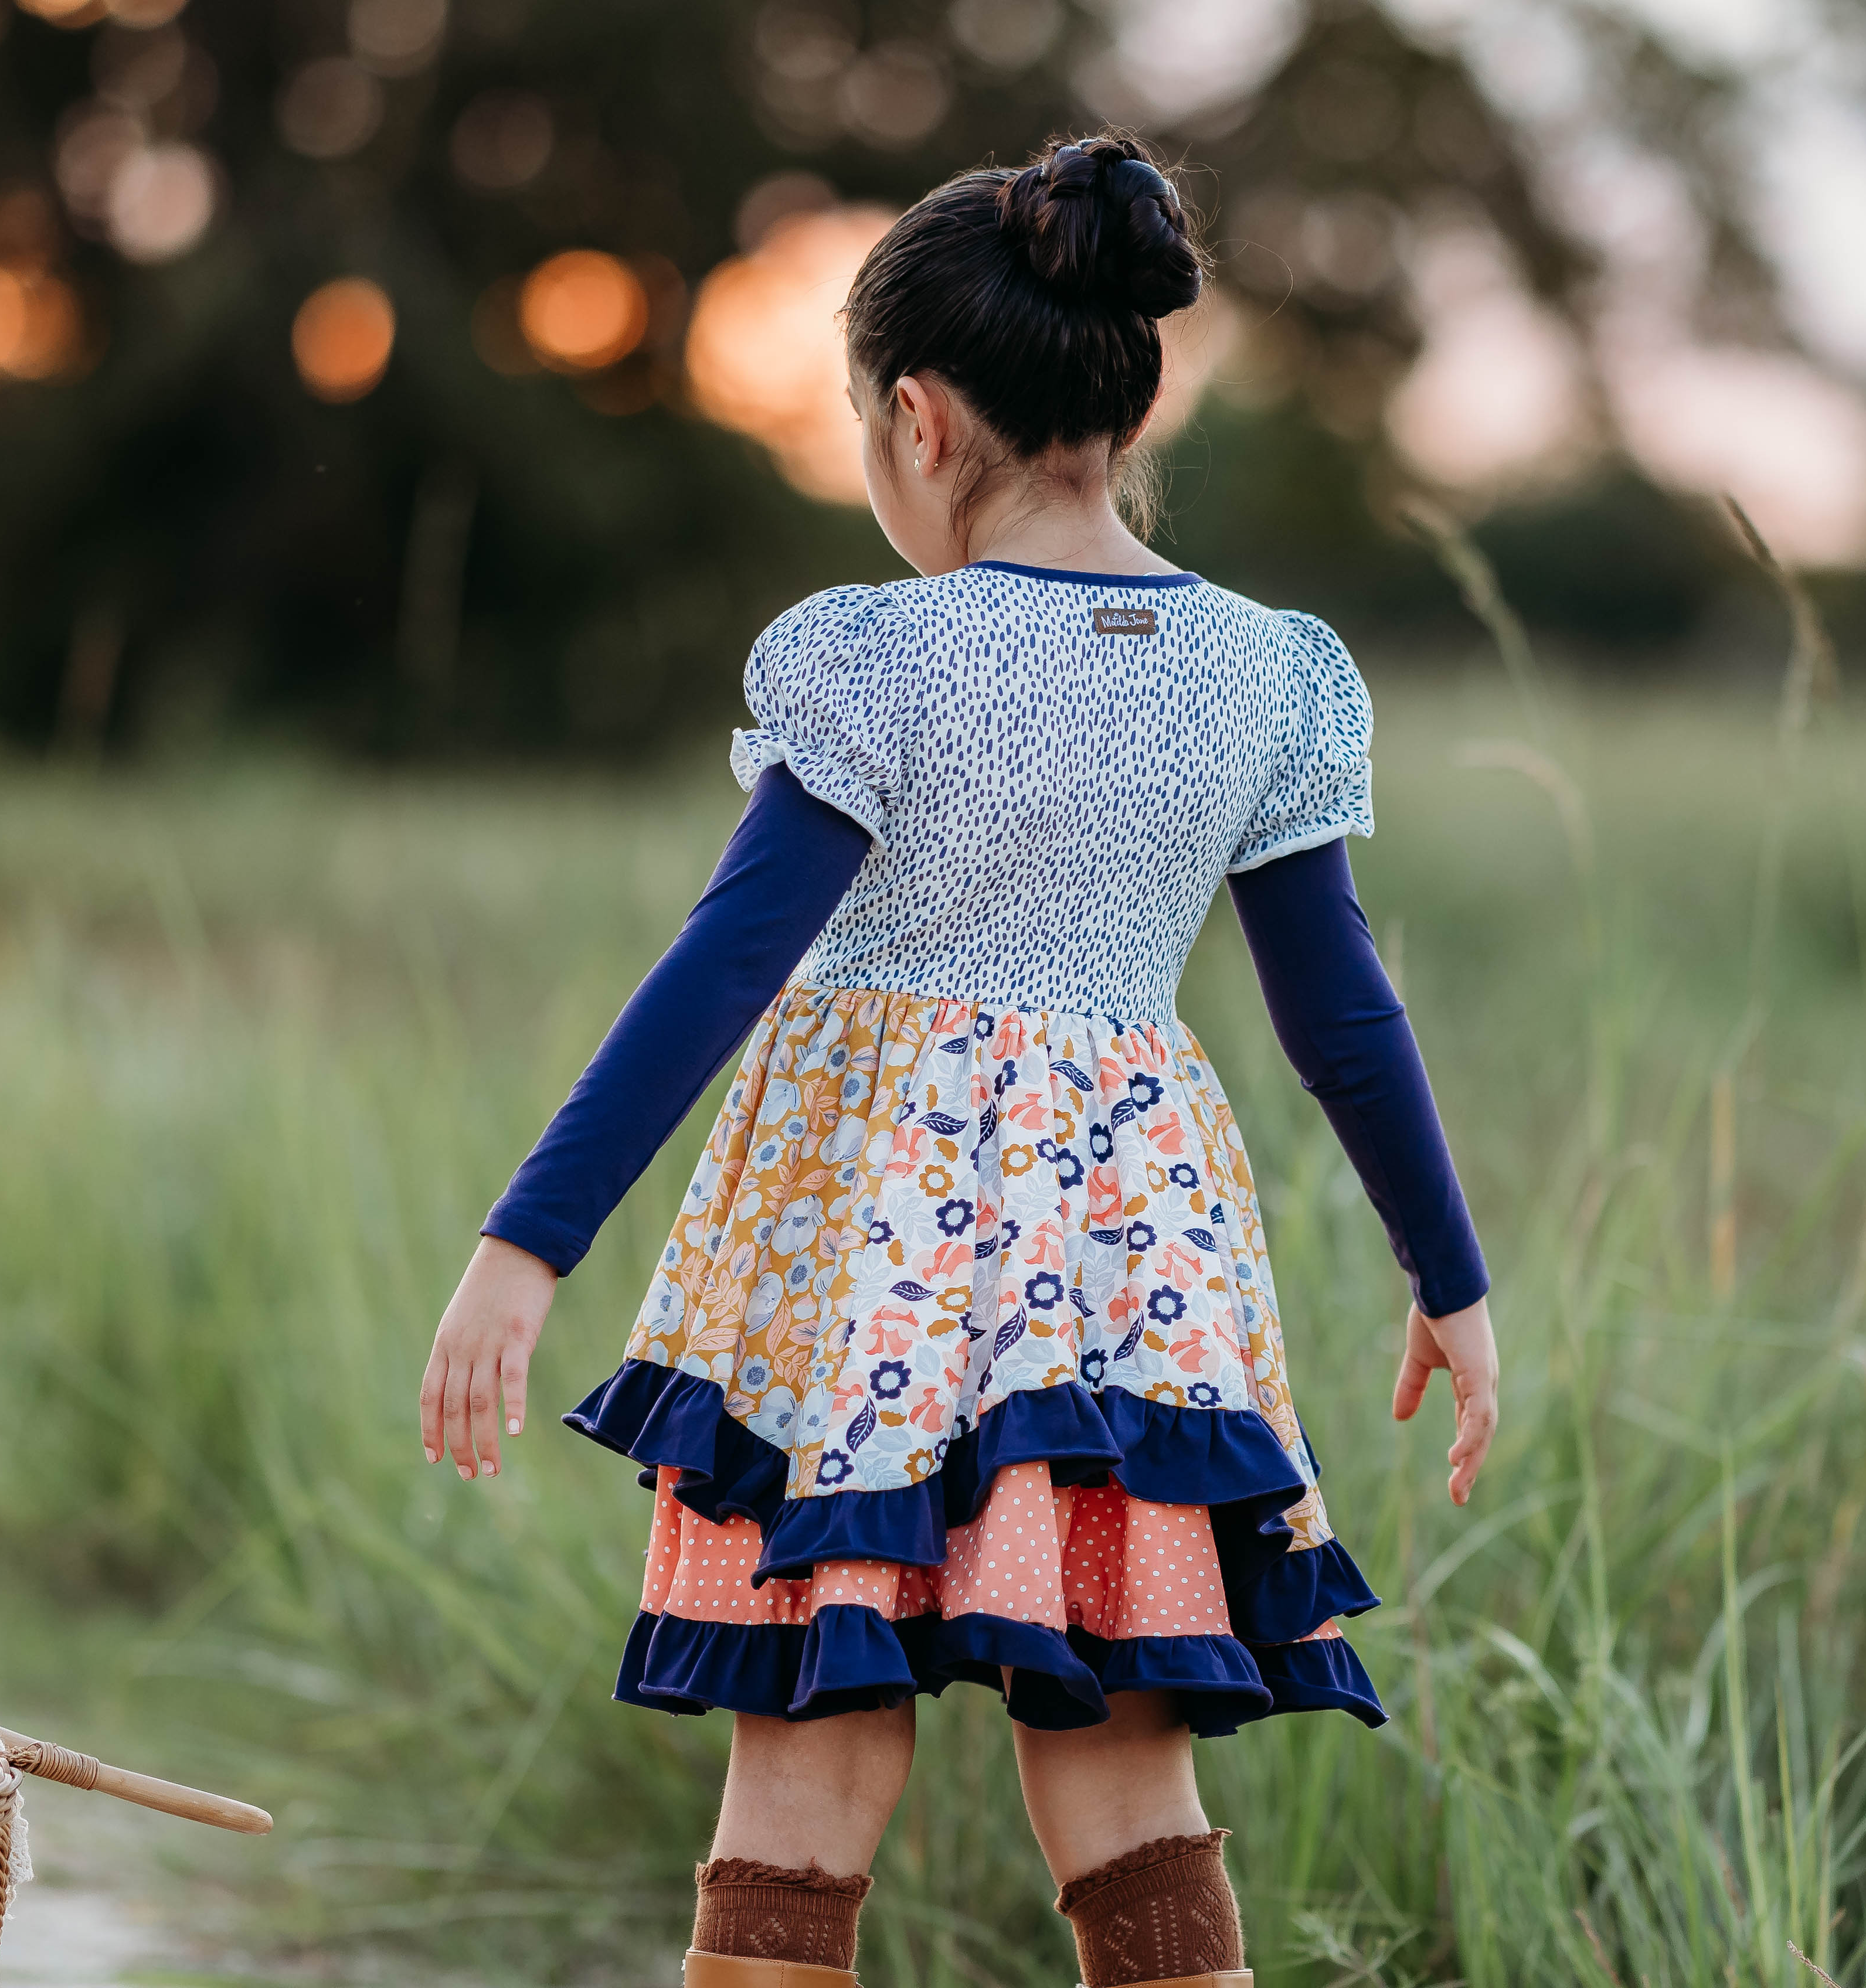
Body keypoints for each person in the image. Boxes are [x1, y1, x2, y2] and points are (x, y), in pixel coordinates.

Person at [416, 130, 1498, 1988]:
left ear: (917, 421)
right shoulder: (1270, 669)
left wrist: (527, 1246)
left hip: (863, 1275)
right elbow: (1340, 1013)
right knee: (1130, 1788)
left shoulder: (875, 660)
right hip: (1127, 1281)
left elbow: (726, 964)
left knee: (805, 1775)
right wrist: (1448, 1276)